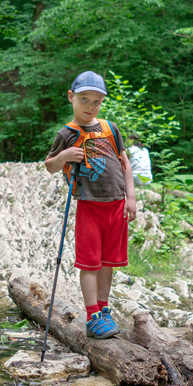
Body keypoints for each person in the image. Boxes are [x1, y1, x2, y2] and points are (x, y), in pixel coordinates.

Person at [44, 71, 137, 339]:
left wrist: (131, 198)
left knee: (107, 262)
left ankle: (104, 309)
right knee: (90, 263)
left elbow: (124, 163)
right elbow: (50, 166)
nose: (90, 106)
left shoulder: (110, 128)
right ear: (71, 97)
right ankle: (92, 314)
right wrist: (64, 155)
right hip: (89, 205)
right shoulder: (67, 133)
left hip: (116, 205)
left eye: (96, 101)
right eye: (84, 99)